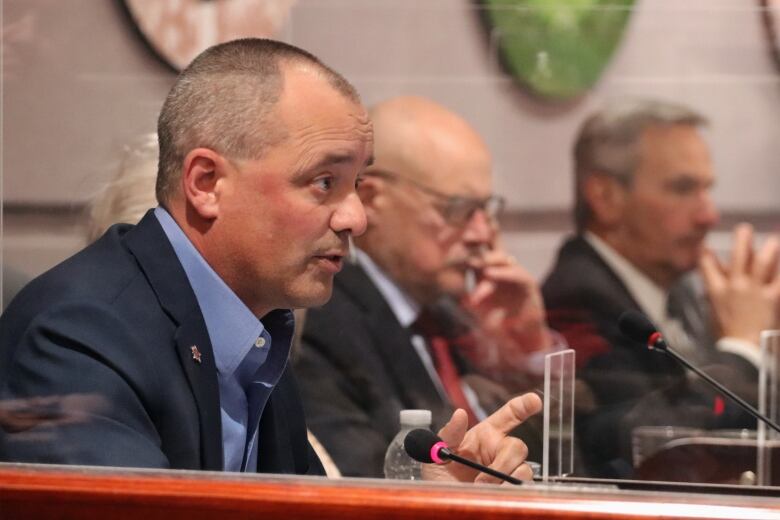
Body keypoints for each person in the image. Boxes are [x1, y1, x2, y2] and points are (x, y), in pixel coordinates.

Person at [0, 39, 541, 483]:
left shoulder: (254, 325)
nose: (355, 217)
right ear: (207, 184)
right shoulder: (80, 336)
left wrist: (429, 504)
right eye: (323, 182)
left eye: (357, 184)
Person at [294, 95, 558, 478]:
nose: (482, 233)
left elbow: (565, 470)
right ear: (371, 200)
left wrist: (525, 354)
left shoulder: (458, 314)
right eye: (458, 209)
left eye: (486, 210)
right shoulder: (322, 318)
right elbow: (362, 481)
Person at [542, 98, 780, 477]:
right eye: (683, 188)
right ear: (605, 197)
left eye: (707, 189)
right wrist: (742, 347)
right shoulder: (575, 301)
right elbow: (648, 444)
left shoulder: (679, 291)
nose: (709, 215)